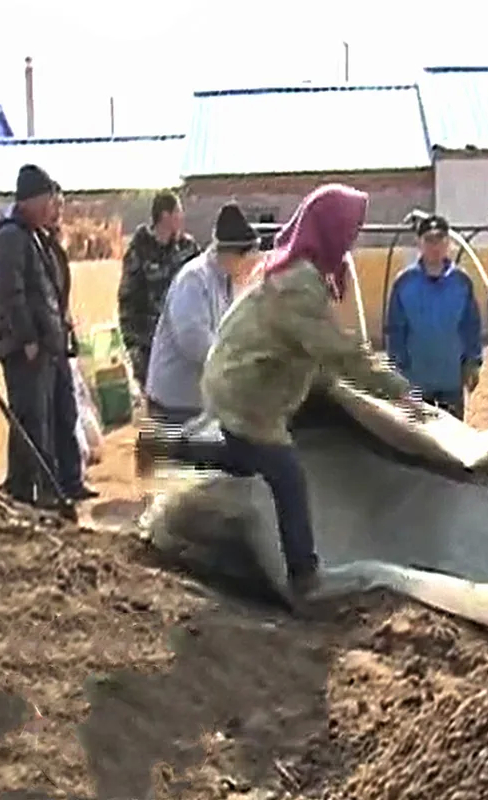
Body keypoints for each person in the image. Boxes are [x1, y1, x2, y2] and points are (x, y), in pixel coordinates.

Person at [139, 184, 424, 597]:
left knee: (242, 458)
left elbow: (313, 349)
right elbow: (337, 351)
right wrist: (397, 390)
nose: (353, 240)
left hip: (241, 379)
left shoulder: (300, 268)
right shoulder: (298, 284)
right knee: (286, 474)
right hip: (246, 389)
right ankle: (304, 574)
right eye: (350, 230)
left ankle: (163, 444)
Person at [0, 165, 65, 507]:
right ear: (31, 201)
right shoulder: (10, 238)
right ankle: (39, 495)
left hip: (41, 348)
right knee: (32, 422)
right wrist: (28, 338)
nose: (52, 208)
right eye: (48, 201)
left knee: (35, 421)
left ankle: (23, 490)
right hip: (24, 349)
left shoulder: (33, 236)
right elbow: (8, 292)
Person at [144, 203, 263, 424]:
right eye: (248, 259)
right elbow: (194, 341)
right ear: (231, 255)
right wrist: (238, 366)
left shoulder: (227, 281)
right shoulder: (195, 280)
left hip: (202, 402)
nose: (250, 268)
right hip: (175, 405)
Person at [385, 214, 482, 420]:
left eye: (440, 239)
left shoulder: (461, 281)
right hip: (415, 380)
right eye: (429, 240)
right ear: (419, 243)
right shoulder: (405, 282)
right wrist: (396, 369)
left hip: (451, 379)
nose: (435, 246)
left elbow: (470, 325)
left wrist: (473, 361)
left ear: (448, 243)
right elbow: (395, 329)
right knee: (417, 439)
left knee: (453, 439)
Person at [38, 183, 99, 500]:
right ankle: (49, 488)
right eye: (55, 206)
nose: (58, 212)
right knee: (43, 417)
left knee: (67, 413)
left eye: (60, 206)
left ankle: (72, 482)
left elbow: (57, 294)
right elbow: (20, 296)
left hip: (59, 340)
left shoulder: (50, 244)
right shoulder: (23, 242)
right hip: (40, 346)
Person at [118, 190, 200, 388]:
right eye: (178, 212)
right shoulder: (139, 251)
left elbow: (202, 285)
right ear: (165, 216)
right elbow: (127, 299)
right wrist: (133, 345)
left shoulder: (188, 248)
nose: (182, 218)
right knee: (156, 402)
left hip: (181, 341)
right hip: (149, 344)